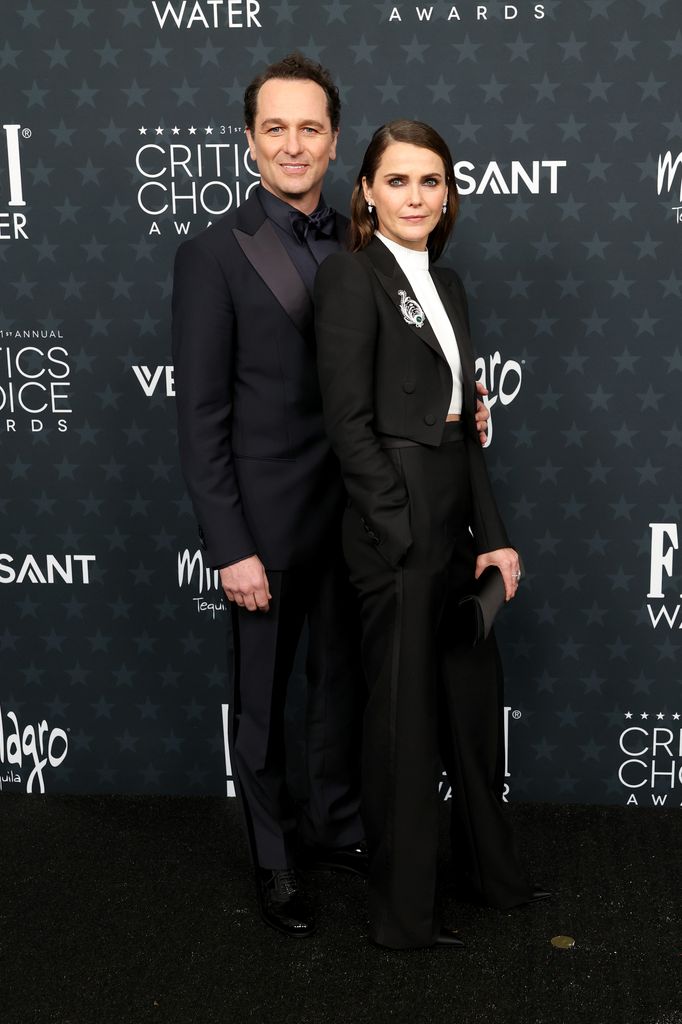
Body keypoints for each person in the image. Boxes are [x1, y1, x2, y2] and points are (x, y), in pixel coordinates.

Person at [172, 57, 491, 940]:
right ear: (249, 142)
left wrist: (459, 400)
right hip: (266, 524)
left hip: (360, 517)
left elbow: (398, 373)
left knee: (343, 693)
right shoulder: (210, 254)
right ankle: (275, 862)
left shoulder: (371, 249)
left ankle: (338, 827)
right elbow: (200, 417)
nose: (293, 144)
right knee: (265, 703)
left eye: (310, 127)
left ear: (336, 141)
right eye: (275, 128)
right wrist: (229, 544)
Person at [314, 120, 547, 951]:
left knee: (472, 706)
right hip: (396, 523)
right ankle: (405, 917)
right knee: (406, 727)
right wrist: (401, 529)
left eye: (432, 182)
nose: (418, 196)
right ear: (368, 191)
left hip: (454, 508)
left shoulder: (447, 286)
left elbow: (464, 425)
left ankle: (493, 877)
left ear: (448, 194)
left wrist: (495, 535)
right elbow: (347, 423)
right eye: (400, 181)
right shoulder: (351, 277)